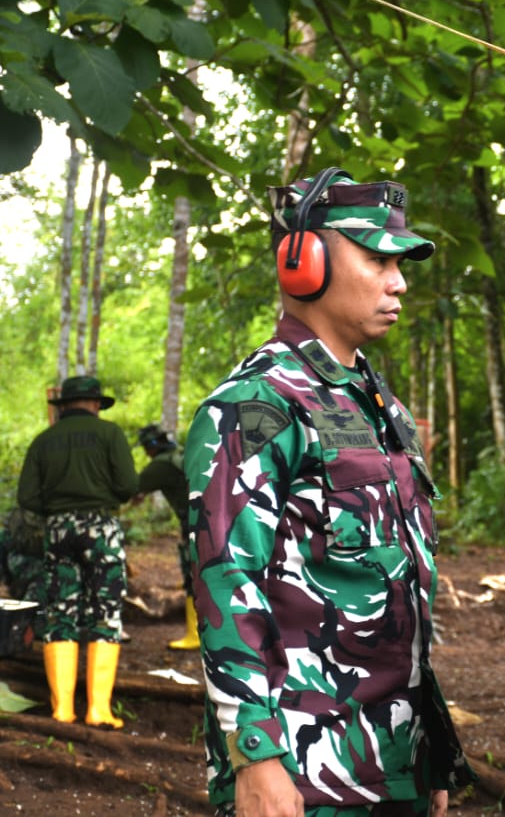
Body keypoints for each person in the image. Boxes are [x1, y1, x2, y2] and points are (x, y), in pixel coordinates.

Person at [184, 168, 474, 816]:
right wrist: (254, 755)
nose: (398, 280)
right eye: (376, 258)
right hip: (303, 771)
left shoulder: (374, 404)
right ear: (304, 262)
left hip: (388, 761)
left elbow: (398, 589)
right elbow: (225, 579)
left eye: (401, 262)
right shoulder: (257, 403)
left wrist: (431, 746)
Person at [17, 374, 138, 728]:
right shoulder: (110, 435)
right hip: (101, 527)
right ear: (96, 404)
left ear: (63, 405)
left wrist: (57, 511)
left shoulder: (43, 441)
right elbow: (128, 485)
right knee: (105, 611)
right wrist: (103, 500)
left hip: (58, 530)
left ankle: (63, 709)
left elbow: (26, 497)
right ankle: (98, 709)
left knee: (60, 611)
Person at [134, 423, 198, 650]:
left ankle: (195, 635)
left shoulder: (160, 465)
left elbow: (130, 487)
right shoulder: (180, 453)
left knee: (194, 577)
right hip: (210, 519)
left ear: (151, 446)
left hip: (194, 524)